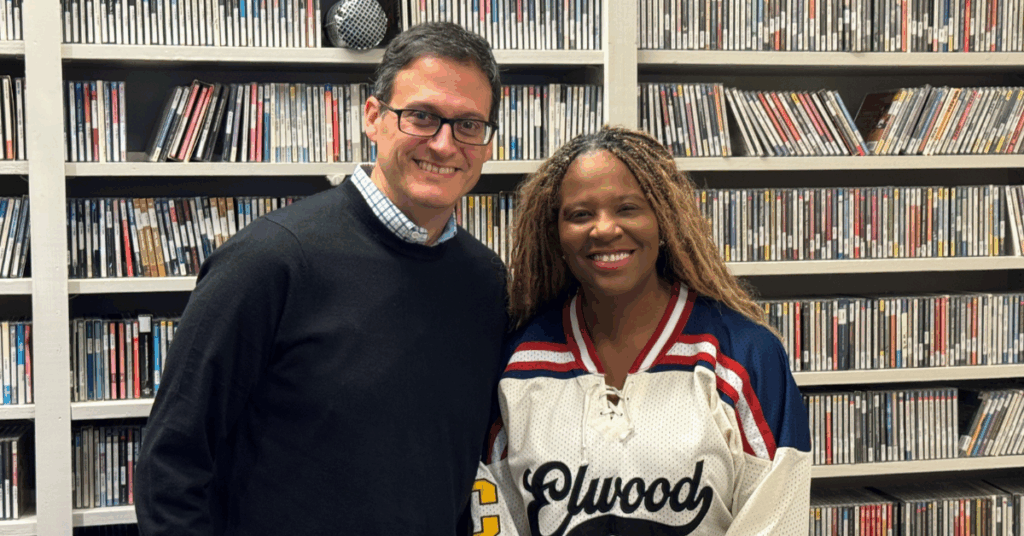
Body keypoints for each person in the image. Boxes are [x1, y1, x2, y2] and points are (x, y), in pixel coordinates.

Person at [136, 22, 508, 535]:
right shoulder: (268, 261)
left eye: (469, 124)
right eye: (422, 117)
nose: (445, 144)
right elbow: (172, 463)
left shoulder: (486, 283)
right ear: (373, 117)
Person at [470, 127, 811, 536]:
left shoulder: (744, 355)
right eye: (580, 214)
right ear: (555, 233)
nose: (604, 229)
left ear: (663, 220)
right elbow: (495, 515)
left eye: (628, 208)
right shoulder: (519, 361)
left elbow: (776, 517)